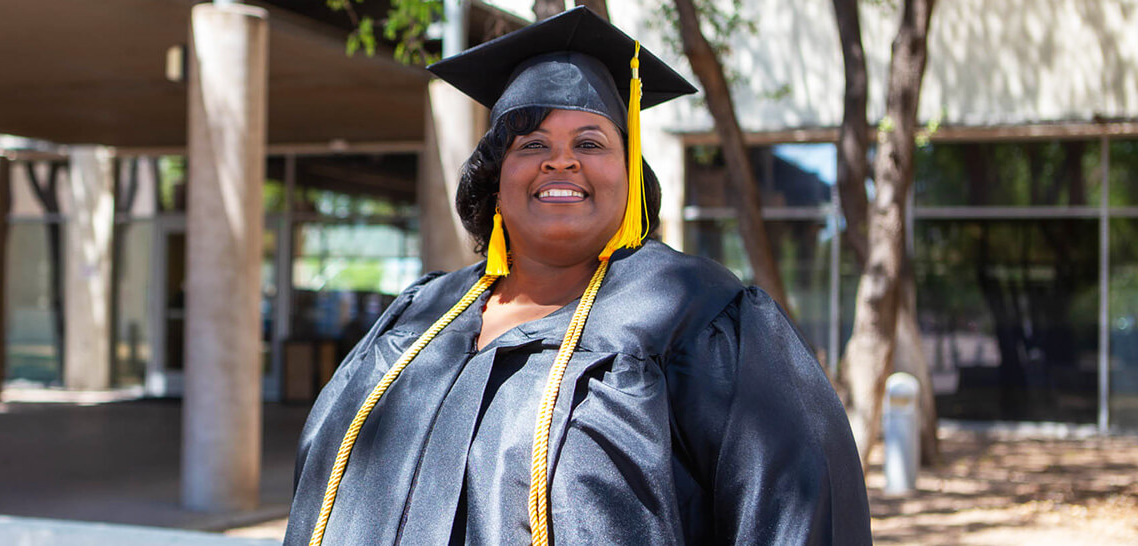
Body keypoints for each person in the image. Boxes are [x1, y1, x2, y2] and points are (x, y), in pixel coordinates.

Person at [284, 7, 870, 546]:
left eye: (590, 142)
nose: (560, 160)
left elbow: (795, 516)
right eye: (531, 143)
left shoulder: (698, 318)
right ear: (494, 179)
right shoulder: (420, 315)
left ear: (630, 174)